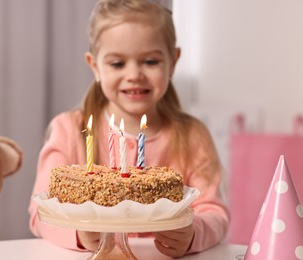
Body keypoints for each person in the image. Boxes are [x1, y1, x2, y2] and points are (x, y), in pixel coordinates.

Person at [29, 0, 229, 258]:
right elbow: (39, 214)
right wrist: (78, 233)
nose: (134, 74)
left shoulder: (191, 136)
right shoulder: (69, 130)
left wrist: (194, 233)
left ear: (173, 61)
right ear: (94, 66)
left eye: (150, 61)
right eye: (117, 64)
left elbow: (214, 211)